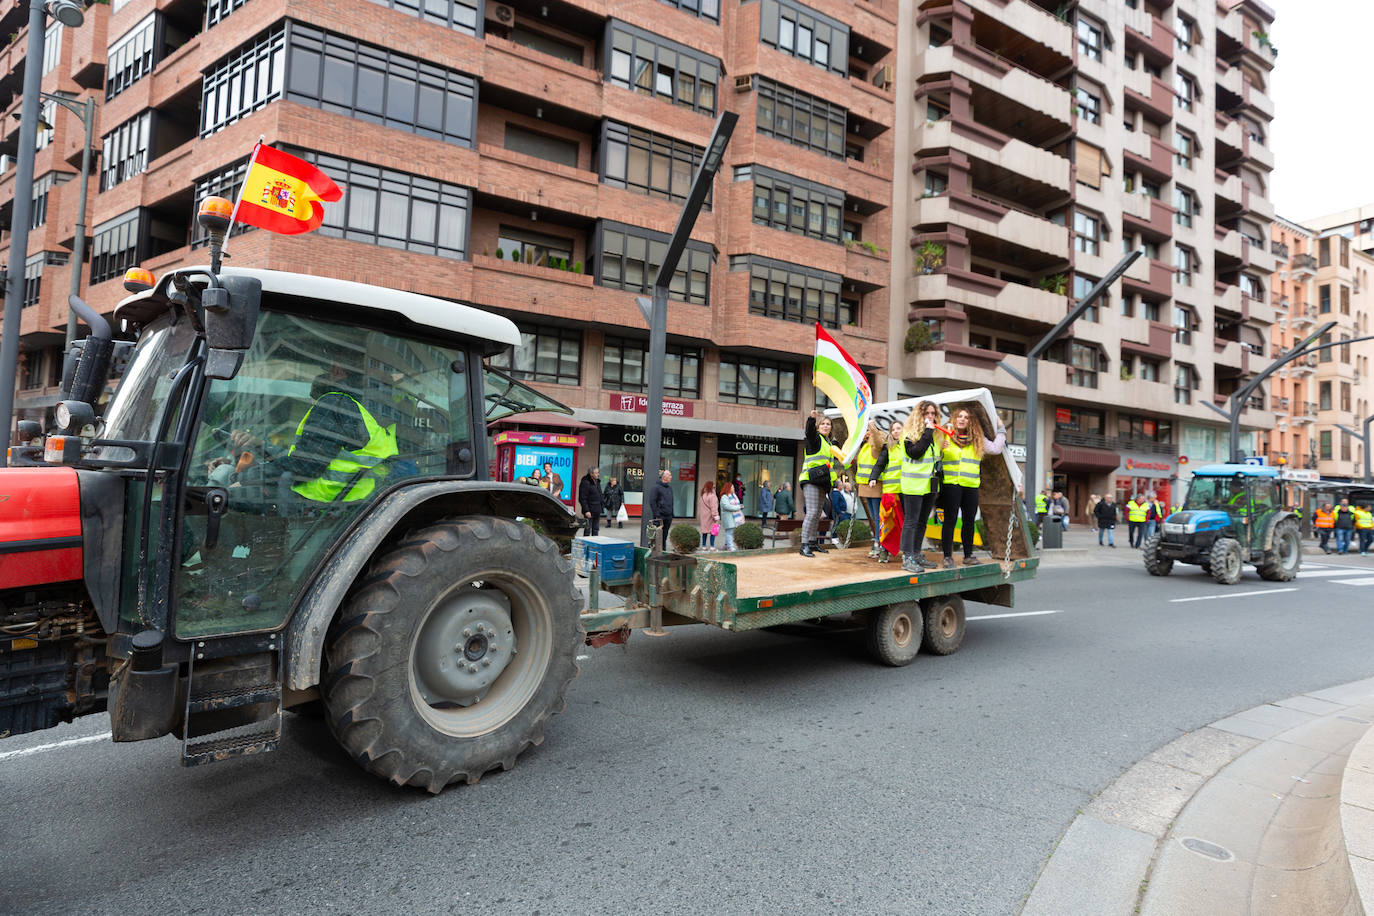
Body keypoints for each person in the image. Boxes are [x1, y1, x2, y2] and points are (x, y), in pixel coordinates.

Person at [282, 365, 398, 503]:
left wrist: (256, 473)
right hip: (365, 503)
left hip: (321, 501)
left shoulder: (335, 403)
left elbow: (306, 466)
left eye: (315, 398)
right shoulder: (382, 417)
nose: (314, 404)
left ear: (337, 370)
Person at [938, 406, 1005, 568]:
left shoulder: (977, 439)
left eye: (966, 417)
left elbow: (996, 449)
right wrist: (940, 447)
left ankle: (968, 556)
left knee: (969, 522)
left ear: (970, 422)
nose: (962, 419)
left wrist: (1001, 429)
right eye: (959, 416)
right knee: (950, 521)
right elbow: (932, 455)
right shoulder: (944, 436)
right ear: (953, 419)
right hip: (951, 485)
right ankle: (947, 557)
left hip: (971, 486)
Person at [897, 401, 939, 571]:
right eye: (927, 413)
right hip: (913, 484)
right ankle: (907, 558)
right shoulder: (908, 433)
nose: (930, 416)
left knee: (922, 522)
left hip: (928, 485)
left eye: (933, 413)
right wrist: (929, 432)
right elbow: (915, 452)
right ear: (919, 415)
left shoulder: (932, 436)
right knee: (911, 521)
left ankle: (915, 554)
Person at [800, 409, 841, 557]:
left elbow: (832, 464)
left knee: (817, 514)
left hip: (823, 482)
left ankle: (812, 543)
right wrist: (811, 419)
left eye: (828, 424)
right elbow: (809, 432)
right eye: (822, 424)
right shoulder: (815, 439)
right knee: (811, 513)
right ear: (818, 427)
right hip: (810, 480)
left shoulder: (829, 444)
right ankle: (804, 545)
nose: (825, 426)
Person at [868, 423, 905, 562]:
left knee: (904, 523)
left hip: (906, 491)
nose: (895, 431)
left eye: (898, 428)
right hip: (890, 491)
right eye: (893, 429)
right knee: (887, 522)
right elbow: (880, 464)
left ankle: (907, 551)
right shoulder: (887, 447)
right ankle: (884, 551)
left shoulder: (909, 446)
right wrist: (873, 478)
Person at [857, 422, 885, 558]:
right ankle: (877, 543)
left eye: (868, 430)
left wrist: (873, 429)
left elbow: (879, 443)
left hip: (875, 484)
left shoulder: (876, 441)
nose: (866, 432)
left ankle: (879, 544)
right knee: (874, 518)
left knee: (877, 517)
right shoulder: (864, 446)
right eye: (865, 430)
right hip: (864, 485)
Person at [649, 469, 675, 542]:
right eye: (669, 475)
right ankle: (654, 552)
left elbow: (671, 501)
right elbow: (652, 502)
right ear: (664, 477)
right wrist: (657, 514)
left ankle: (663, 551)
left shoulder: (670, 488)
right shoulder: (656, 488)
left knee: (664, 536)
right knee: (656, 537)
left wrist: (671, 514)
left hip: (668, 516)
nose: (671, 477)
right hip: (660, 516)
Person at [578, 466, 603, 536]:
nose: (598, 474)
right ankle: (586, 545)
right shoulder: (585, 482)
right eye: (596, 473)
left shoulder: (597, 482)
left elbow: (599, 495)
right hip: (589, 510)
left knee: (596, 529)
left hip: (597, 509)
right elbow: (582, 498)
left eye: (598, 473)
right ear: (591, 474)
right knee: (587, 529)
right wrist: (586, 510)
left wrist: (602, 505)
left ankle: (594, 545)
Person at [719, 481, 743, 551]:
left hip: (734, 517)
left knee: (730, 532)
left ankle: (726, 545)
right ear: (728, 488)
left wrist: (739, 506)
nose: (733, 489)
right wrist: (738, 507)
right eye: (732, 487)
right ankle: (730, 546)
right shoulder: (724, 497)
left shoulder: (734, 496)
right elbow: (727, 507)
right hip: (728, 517)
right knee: (729, 532)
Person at [828, 479, 853, 545]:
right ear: (838, 486)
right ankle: (833, 537)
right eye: (841, 485)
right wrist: (839, 512)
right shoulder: (836, 493)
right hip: (838, 512)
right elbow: (835, 504)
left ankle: (835, 537)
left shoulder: (838, 493)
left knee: (838, 523)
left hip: (840, 512)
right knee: (836, 523)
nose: (842, 486)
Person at [698, 480, 720, 550]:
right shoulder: (712, 496)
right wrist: (716, 516)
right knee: (712, 531)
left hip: (704, 517)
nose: (714, 487)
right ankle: (712, 546)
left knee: (704, 532)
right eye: (713, 486)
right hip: (711, 517)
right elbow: (714, 507)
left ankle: (703, 546)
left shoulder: (702, 495)